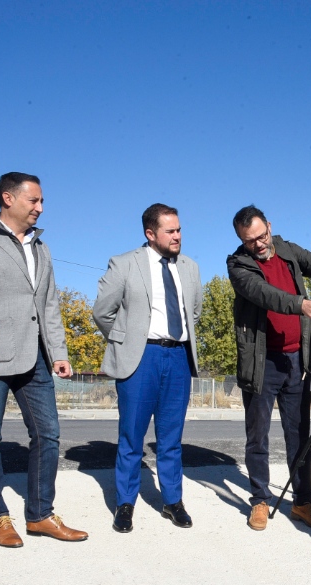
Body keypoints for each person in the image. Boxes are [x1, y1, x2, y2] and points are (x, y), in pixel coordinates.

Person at [0, 172, 87, 547]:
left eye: (41, 201)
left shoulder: (41, 247)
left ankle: (40, 514)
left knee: (48, 434)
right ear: (7, 198)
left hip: (34, 358)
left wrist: (58, 353)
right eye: (33, 201)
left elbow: (48, 303)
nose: (40, 207)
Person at [227, 205, 311, 531]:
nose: (258, 244)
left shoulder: (286, 249)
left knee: (300, 436)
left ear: (269, 226)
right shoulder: (238, 265)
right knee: (257, 436)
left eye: (261, 236)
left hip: (296, 362)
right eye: (250, 241)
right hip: (262, 363)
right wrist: (300, 304)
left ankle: (302, 502)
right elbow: (264, 294)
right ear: (241, 241)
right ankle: (260, 500)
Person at [93, 203, 202, 533]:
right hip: (141, 359)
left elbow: (193, 313)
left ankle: (172, 501)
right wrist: (126, 341)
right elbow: (102, 312)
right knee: (131, 437)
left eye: (179, 229)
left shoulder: (190, 267)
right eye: (170, 231)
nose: (177, 236)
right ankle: (125, 503)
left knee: (171, 437)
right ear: (150, 233)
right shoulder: (125, 264)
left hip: (179, 357)